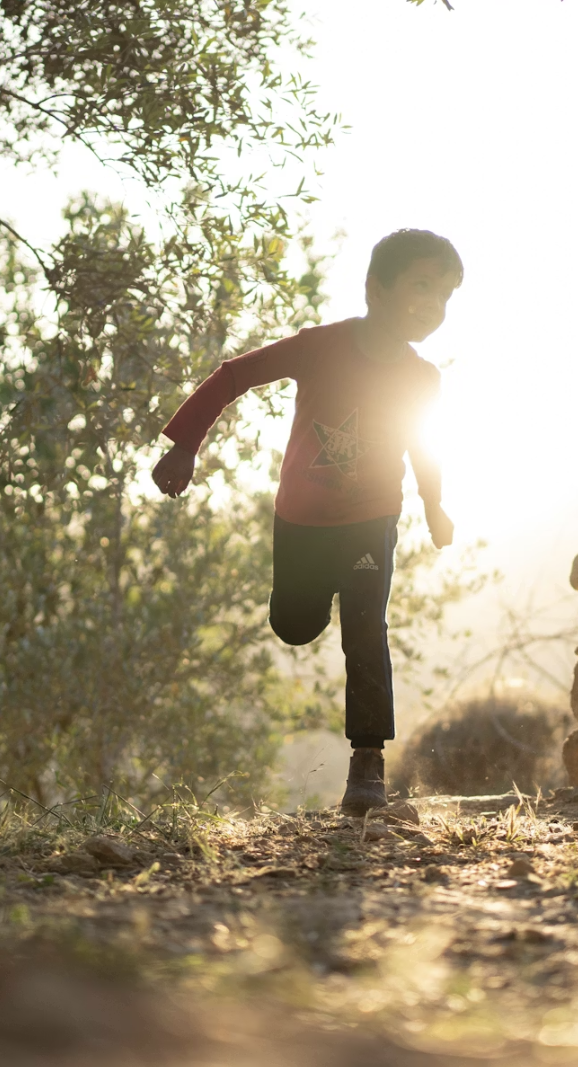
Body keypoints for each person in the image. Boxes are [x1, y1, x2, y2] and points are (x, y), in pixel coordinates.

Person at [152, 229, 461, 815]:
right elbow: (232, 376)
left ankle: (367, 767)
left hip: (372, 521)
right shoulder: (320, 345)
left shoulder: (423, 378)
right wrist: (184, 444)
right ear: (375, 287)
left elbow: (423, 446)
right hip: (301, 521)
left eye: (444, 294)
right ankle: (308, 601)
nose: (433, 304)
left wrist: (433, 503)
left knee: (366, 630)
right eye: (422, 285)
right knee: (295, 625)